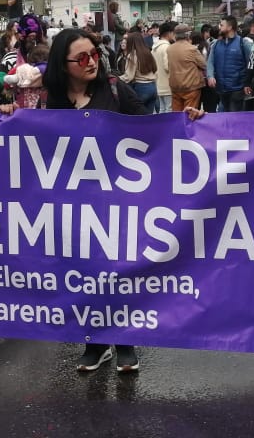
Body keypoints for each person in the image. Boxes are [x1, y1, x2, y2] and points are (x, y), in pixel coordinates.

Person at [18, 28, 149, 372]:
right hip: (70, 205)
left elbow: (156, 129)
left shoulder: (116, 89)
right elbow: (32, 143)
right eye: (82, 57)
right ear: (63, 64)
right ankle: (95, 339)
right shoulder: (49, 101)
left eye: (94, 54)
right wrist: (5, 116)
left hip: (116, 199)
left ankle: (124, 340)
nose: (91, 62)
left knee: (117, 271)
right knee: (84, 272)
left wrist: (191, 121)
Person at [206, 16, 254, 113]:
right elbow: (210, 62)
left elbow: (251, 64)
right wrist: (210, 76)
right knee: (225, 114)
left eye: (222, 25)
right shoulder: (216, 45)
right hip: (221, 89)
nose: (219, 27)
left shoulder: (243, 43)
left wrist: (248, 83)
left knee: (233, 114)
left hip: (238, 88)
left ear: (230, 27)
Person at [167, 24, 206, 112]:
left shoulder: (169, 49)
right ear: (188, 35)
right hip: (191, 86)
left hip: (175, 86)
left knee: (177, 114)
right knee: (189, 115)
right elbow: (203, 64)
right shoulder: (191, 49)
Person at [121, 31, 159, 113]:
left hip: (141, 87)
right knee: (148, 118)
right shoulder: (148, 53)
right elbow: (155, 70)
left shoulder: (132, 55)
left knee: (136, 116)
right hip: (153, 87)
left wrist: (117, 79)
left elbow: (129, 76)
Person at [152, 22, 174, 113]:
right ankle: (168, 127)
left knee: (161, 109)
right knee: (169, 109)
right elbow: (167, 66)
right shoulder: (166, 47)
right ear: (169, 33)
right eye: (173, 32)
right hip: (167, 85)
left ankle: (161, 127)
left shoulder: (154, 48)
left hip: (158, 84)